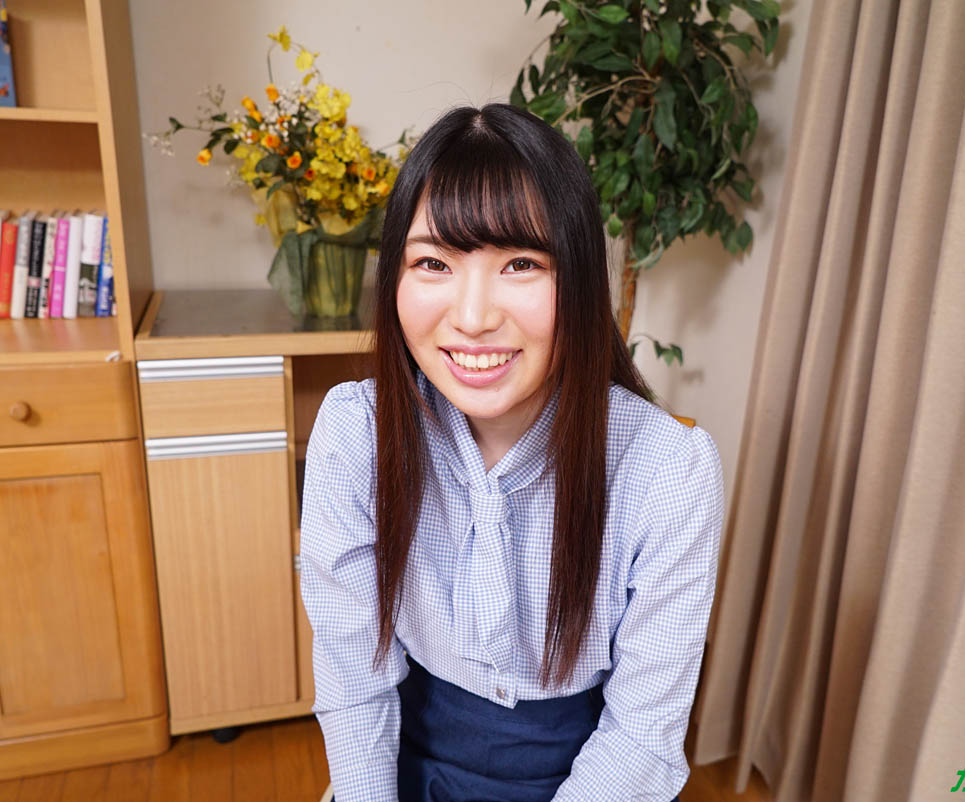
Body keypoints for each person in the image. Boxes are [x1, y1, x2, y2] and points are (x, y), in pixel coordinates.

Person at [298, 102, 725, 802]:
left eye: (521, 263)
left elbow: (641, 736)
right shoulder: (356, 433)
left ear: (578, 279)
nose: (472, 318)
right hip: (402, 759)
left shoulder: (669, 469)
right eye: (433, 262)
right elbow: (354, 675)